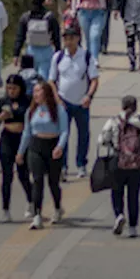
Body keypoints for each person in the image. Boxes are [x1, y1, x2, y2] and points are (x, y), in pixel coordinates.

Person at [99, 95, 140, 238]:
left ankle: (119, 214)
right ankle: (133, 227)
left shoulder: (114, 120)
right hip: (137, 164)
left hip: (117, 161)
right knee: (134, 195)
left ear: (122, 106)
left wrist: (112, 145)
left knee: (116, 191)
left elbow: (102, 139)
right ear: (136, 106)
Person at [49, 26, 98, 180]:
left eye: (71, 38)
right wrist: (57, 98)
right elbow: (51, 80)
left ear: (78, 38)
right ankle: (62, 166)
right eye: (65, 39)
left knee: (83, 134)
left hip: (81, 102)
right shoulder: (58, 57)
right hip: (63, 101)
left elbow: (94, 80)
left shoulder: (86, 56)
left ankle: (81, 164)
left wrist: (88, 96)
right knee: (63, 134)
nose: (68, 42)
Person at [17, 80, 67, 229]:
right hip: (35, 146)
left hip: (52, 146)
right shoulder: (31, 111)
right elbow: (26, 133)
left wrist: (60, 146)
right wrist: (20, 152)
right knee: (37, 180)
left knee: (53, 182)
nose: (36, 94)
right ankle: (37, 214)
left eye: (39, 91)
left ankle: (58, 208)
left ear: (46, 92)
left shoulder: (58, 110)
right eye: (34, 91)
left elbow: (64, 130)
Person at [0, 74, 31, 221]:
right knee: (7, 175)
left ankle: (31, 202)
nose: (11, 91)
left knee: (23, 175)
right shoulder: (3, 101)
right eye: (9, 88)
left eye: (14, 88)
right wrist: (0, 118)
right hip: (7, 138)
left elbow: (28, 116)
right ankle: (5, 209)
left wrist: (14, 113)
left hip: (22, 139)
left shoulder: (27, 100)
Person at [14, 0, 61, 79]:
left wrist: (16, 54)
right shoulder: (50, 17)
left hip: (30, 51)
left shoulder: (25, 17)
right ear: (43, 2)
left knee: (29, 78)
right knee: (43, 79)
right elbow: (56, 37)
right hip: (46, 51)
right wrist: (58, 53)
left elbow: (20, 37)